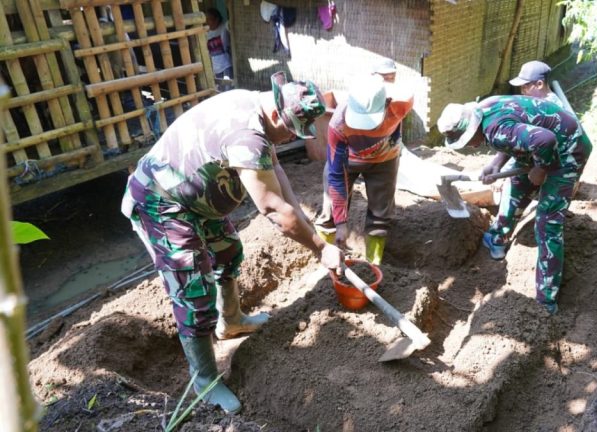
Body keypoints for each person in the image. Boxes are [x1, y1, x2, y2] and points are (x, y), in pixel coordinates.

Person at [121, 72, 343, 414]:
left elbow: (277, 173)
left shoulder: (261, 108)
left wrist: (306, 222)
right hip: (162, 201)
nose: (287, 140)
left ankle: (232, 320)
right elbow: (272, 209)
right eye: (290, 131)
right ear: (276, 115)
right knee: (193, 290)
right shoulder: (248, 135)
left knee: (228, 250)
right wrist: (319, 247)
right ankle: (204, 381)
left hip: (196, 196)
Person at [437, 96, 592, 315]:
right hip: (540, 144)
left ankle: (546, 302)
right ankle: (498, 238)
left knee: (548, 223)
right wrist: (495, 163)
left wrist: (541, 169)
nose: (470, 145)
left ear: (473, 129)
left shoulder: (496, 130)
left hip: (568, 148)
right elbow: (515, 134)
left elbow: (544, 139)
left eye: (467, 140)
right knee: (516, 185)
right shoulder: (487, 112)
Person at [314, 74, 414, 265]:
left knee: (380, 214)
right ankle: (325, 260)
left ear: (387, 104)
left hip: (385, 159)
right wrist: (341, 223)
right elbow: (336, 174)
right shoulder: (338, 123)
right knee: (330, 212)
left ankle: (373, 265)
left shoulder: (402, 103)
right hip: (347, 161)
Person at [205, 8, 233, 91]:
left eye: (209, 19)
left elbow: (231, 22)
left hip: (226, 65)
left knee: (228, 88)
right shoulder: (206, 32)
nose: (207, 22)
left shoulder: (224, 28)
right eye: (206, 19)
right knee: (219, 90)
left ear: (216, 19)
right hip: (214, 67)